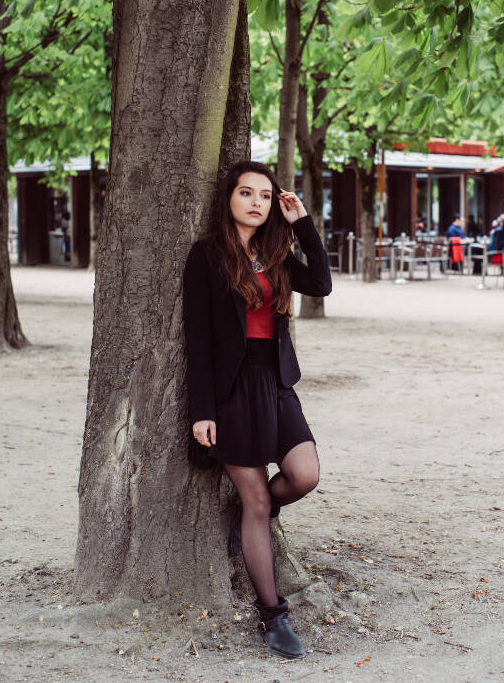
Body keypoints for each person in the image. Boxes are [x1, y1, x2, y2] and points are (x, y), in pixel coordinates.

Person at [182, 161, 332, 660]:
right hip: (231, 391)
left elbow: (323, 285)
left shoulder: (277, 252)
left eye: (265, 196)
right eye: (246, 193)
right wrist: (203, 411)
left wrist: (302, 223)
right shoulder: (206, 256)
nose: (255, 202)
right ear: (229, 199)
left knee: (304, 474)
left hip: (277, 382)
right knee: (258, 505)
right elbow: (197, 341)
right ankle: (273, 615)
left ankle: (252, 517)